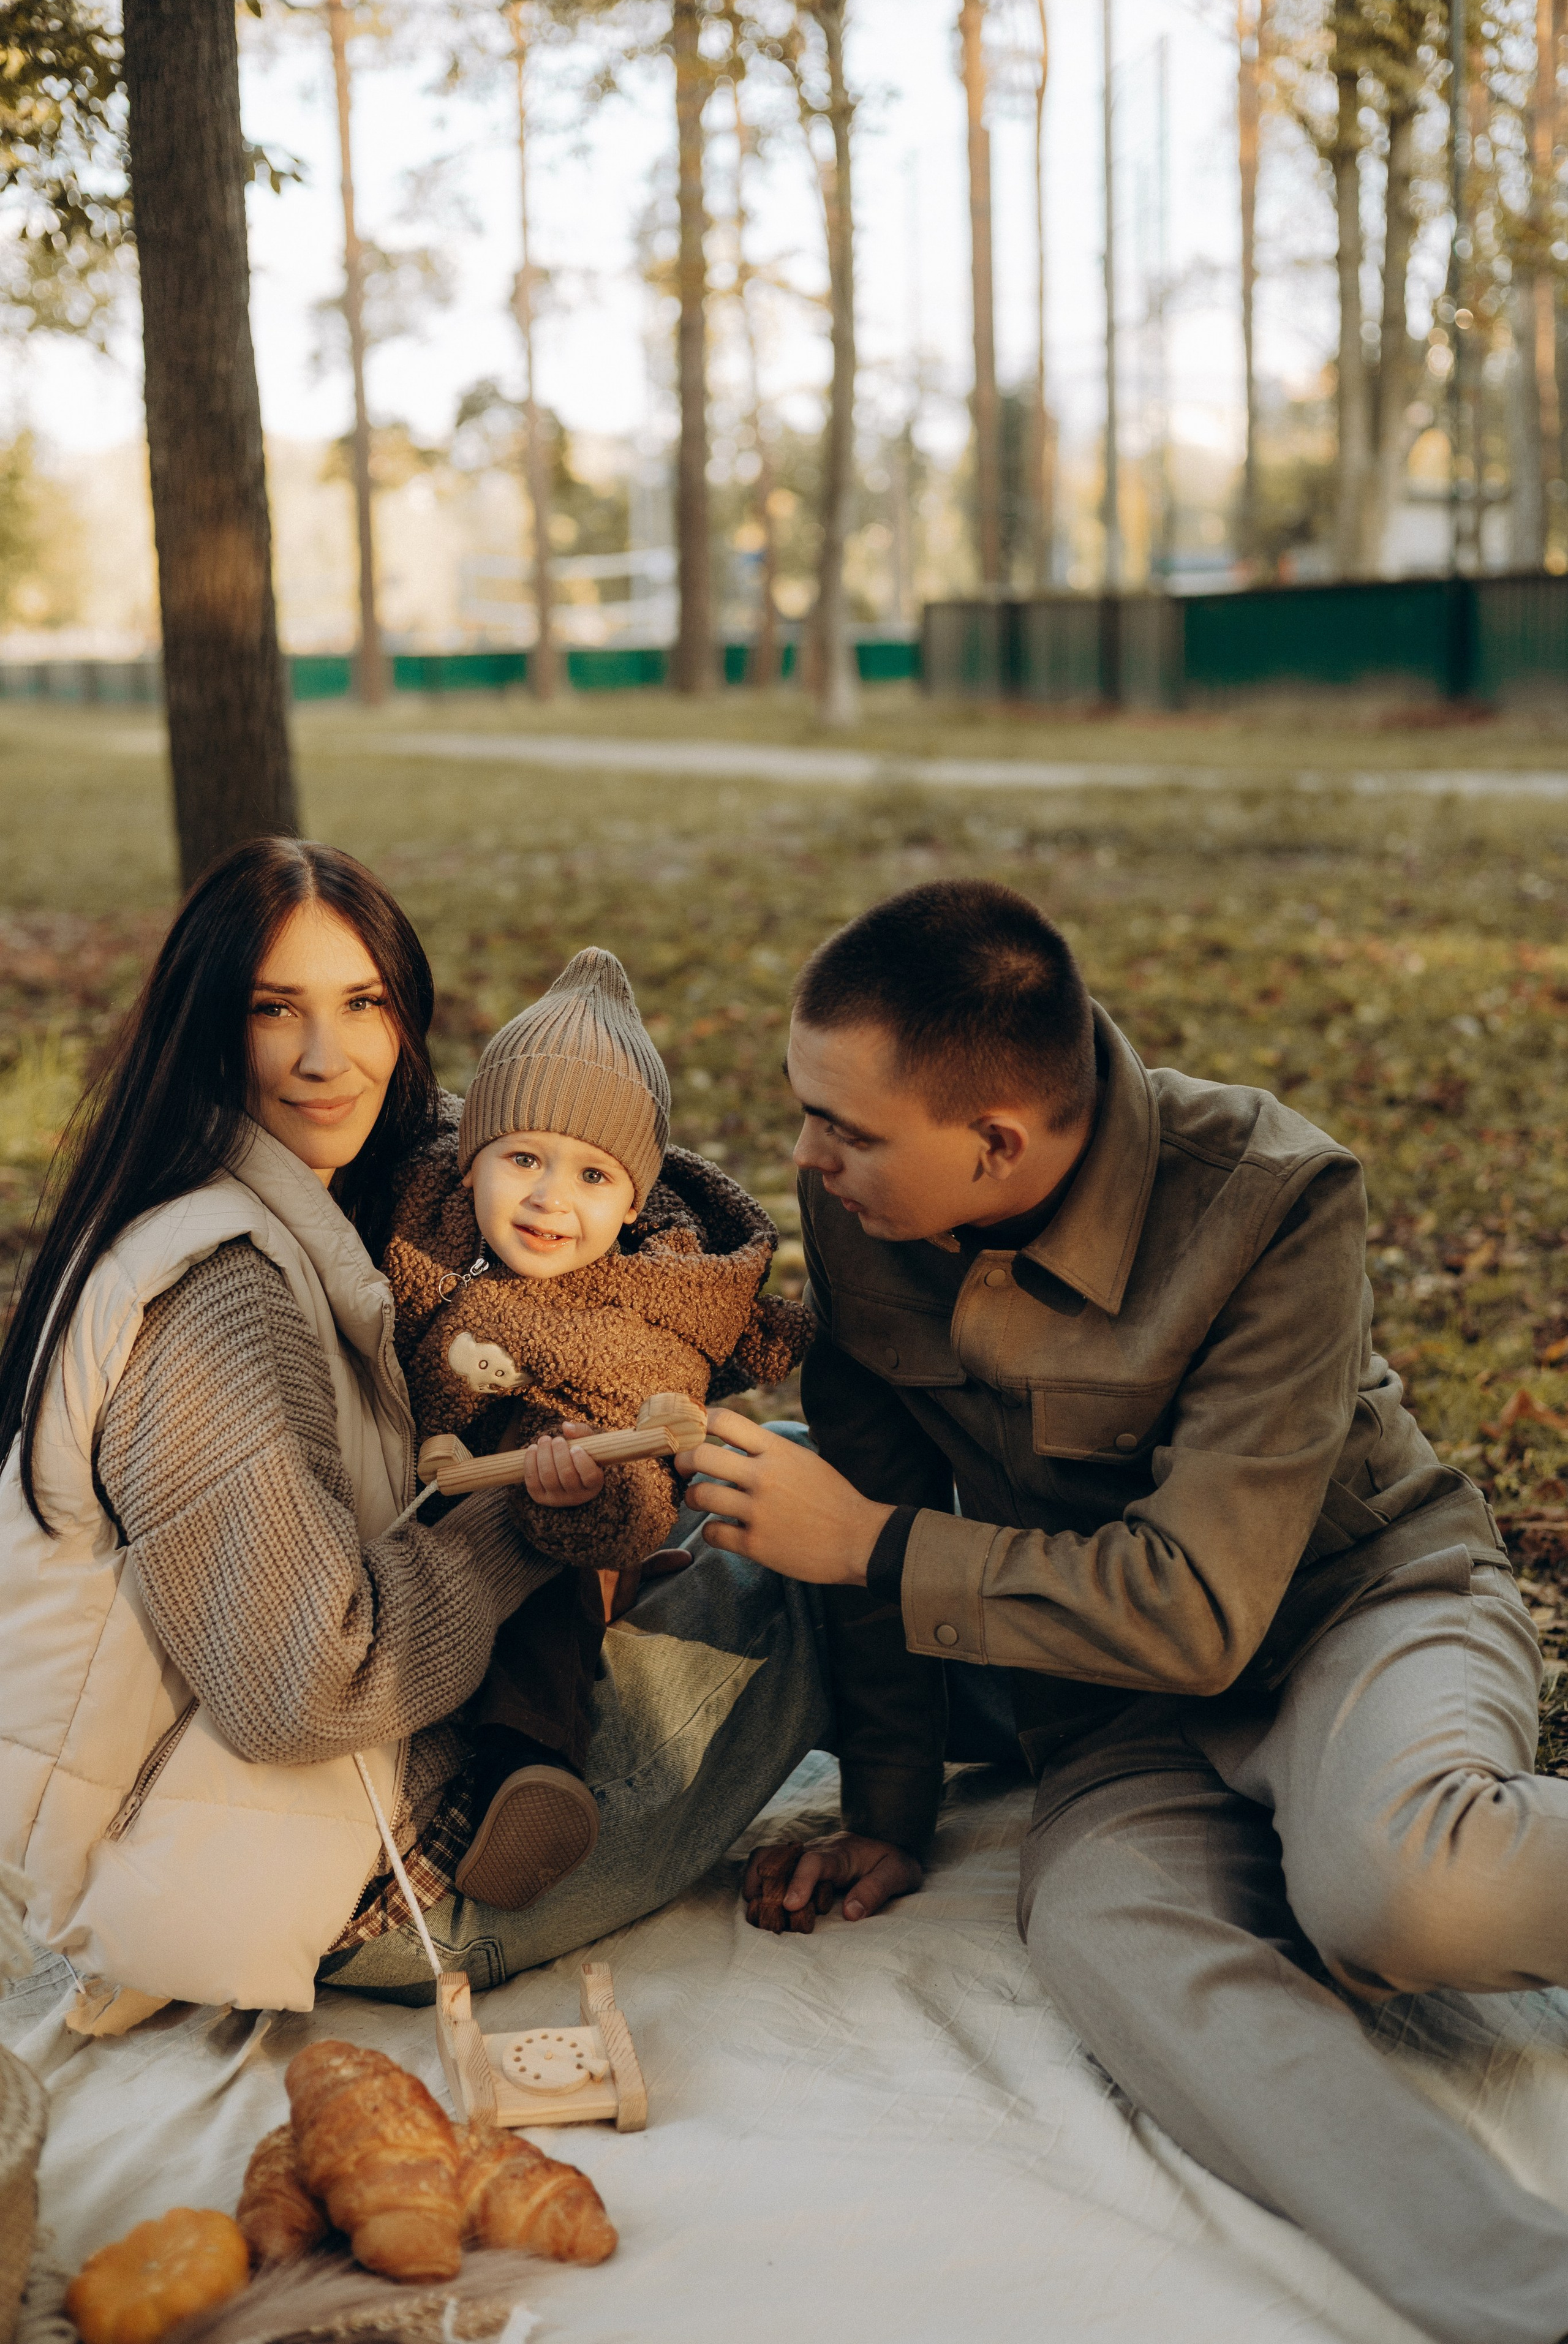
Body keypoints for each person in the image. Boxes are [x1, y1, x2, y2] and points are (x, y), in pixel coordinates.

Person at [677, 877, 1568, 2344]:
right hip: (1097, 1705)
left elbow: (1197, 1607)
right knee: (1101, 1931)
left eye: (843, 1128)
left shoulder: (1269, 1197)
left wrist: (881, 1548)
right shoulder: (863, 1217)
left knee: (1397, 1889)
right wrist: (889, 1809)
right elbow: (871, 1499)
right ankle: (1516, 2292)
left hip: (1354, 1615)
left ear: (995, 1143)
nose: (805, 1157)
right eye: (803, 1112)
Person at [0, 837, 826, 2029]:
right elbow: (303, 1690)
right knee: (795, 1527)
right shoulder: (217, 1304)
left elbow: (505, 1129)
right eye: (274, 1010)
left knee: (737, 1478)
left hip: (241, 1830)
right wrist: (521, 1521)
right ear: (204, 1028)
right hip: (359, 1886)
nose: (329, 1059)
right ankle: (1075, 1746)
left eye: (363, 1005)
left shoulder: (275, 1188)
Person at [383, 944, 809, 1912]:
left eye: (591, 1176)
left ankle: (524, 1774)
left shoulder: (640, 1317)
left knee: (545, 1613)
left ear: (631, 1203)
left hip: (550, 1534)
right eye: (522, 1159)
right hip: (411, 1497)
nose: (548, 1199)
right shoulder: (424, 1228)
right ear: (470, 1160)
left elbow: (641, 1504)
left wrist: (589, 1500)